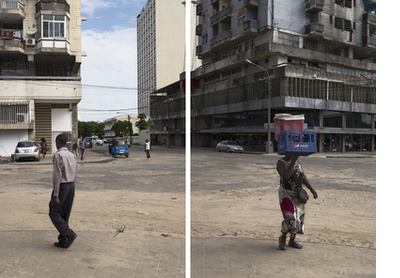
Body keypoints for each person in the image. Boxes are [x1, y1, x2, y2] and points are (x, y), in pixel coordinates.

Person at [276, 155, 318, 250]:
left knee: (299, 218)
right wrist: (293, 161)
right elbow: (286, 175)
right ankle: (283, 238)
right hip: (286, 193)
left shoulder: (298, 164)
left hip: (298, 194)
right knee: (290, 217)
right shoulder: (281, 163)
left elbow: (302, 177)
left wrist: (312, 190)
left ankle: (292, 240)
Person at [49, 133, 78, 249]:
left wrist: (56, 194)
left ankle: (69, 234)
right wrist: (73, 188)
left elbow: (57, 175)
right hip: (71, 186)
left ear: (57, 143)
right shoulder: (72, 155)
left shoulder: (58, 155)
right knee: (65, 213)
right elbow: (75, 172)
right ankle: (63, 241)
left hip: (62, 187)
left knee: (54, 212)